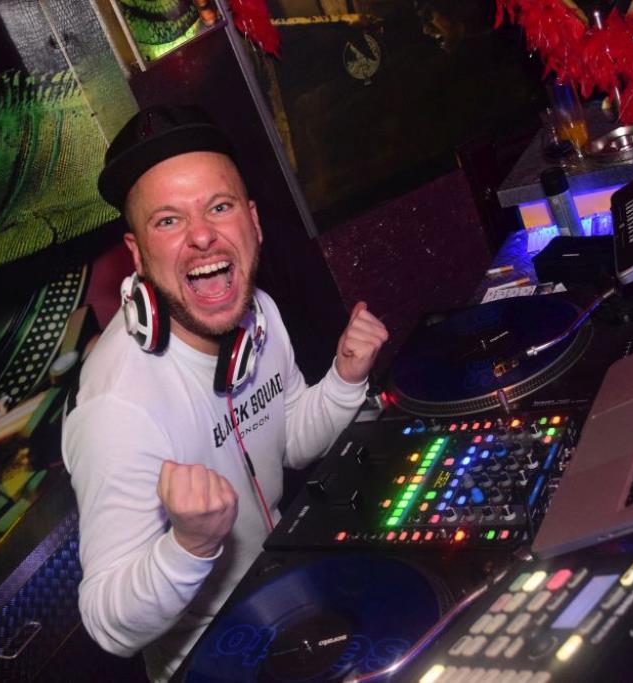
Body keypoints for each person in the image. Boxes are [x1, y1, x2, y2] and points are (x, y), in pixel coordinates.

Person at [62, 105, 388, 681]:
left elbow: (289, 440)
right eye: (168, 220)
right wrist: (189, 544)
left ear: (253, 221)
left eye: (219, 206)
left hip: (292, 596)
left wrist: (343, 380)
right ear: (137, 253)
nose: (201, 235)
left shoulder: (258, 313)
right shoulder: (116, 406)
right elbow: (108, 624)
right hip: (214, 658)